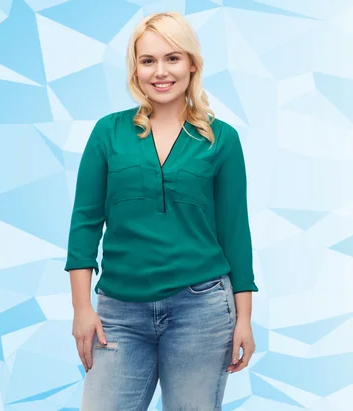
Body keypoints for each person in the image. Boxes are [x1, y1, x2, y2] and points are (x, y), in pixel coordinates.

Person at [64, 11, 259, 411]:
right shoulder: (108, 132)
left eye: (172, 58)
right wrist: (81, 308)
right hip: (118, 312)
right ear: (135, 69)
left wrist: (244, 318)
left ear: (191, 64)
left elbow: (235, 232)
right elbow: (84, 223)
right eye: (148, 60)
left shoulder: (221, 139)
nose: (160, 72)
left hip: (202, 308)